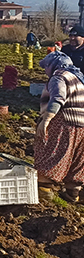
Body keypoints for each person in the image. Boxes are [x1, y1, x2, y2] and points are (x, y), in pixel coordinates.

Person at [35, 51, 84, 202]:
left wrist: (47, 119)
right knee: (76, 157)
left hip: (66, 121)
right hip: (82, 123)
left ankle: (45, 189)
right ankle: (73, 193)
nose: (45, 71)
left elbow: (58, 98)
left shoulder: (59, 77)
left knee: (52, 150)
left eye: (46, 67)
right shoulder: (78, 77)